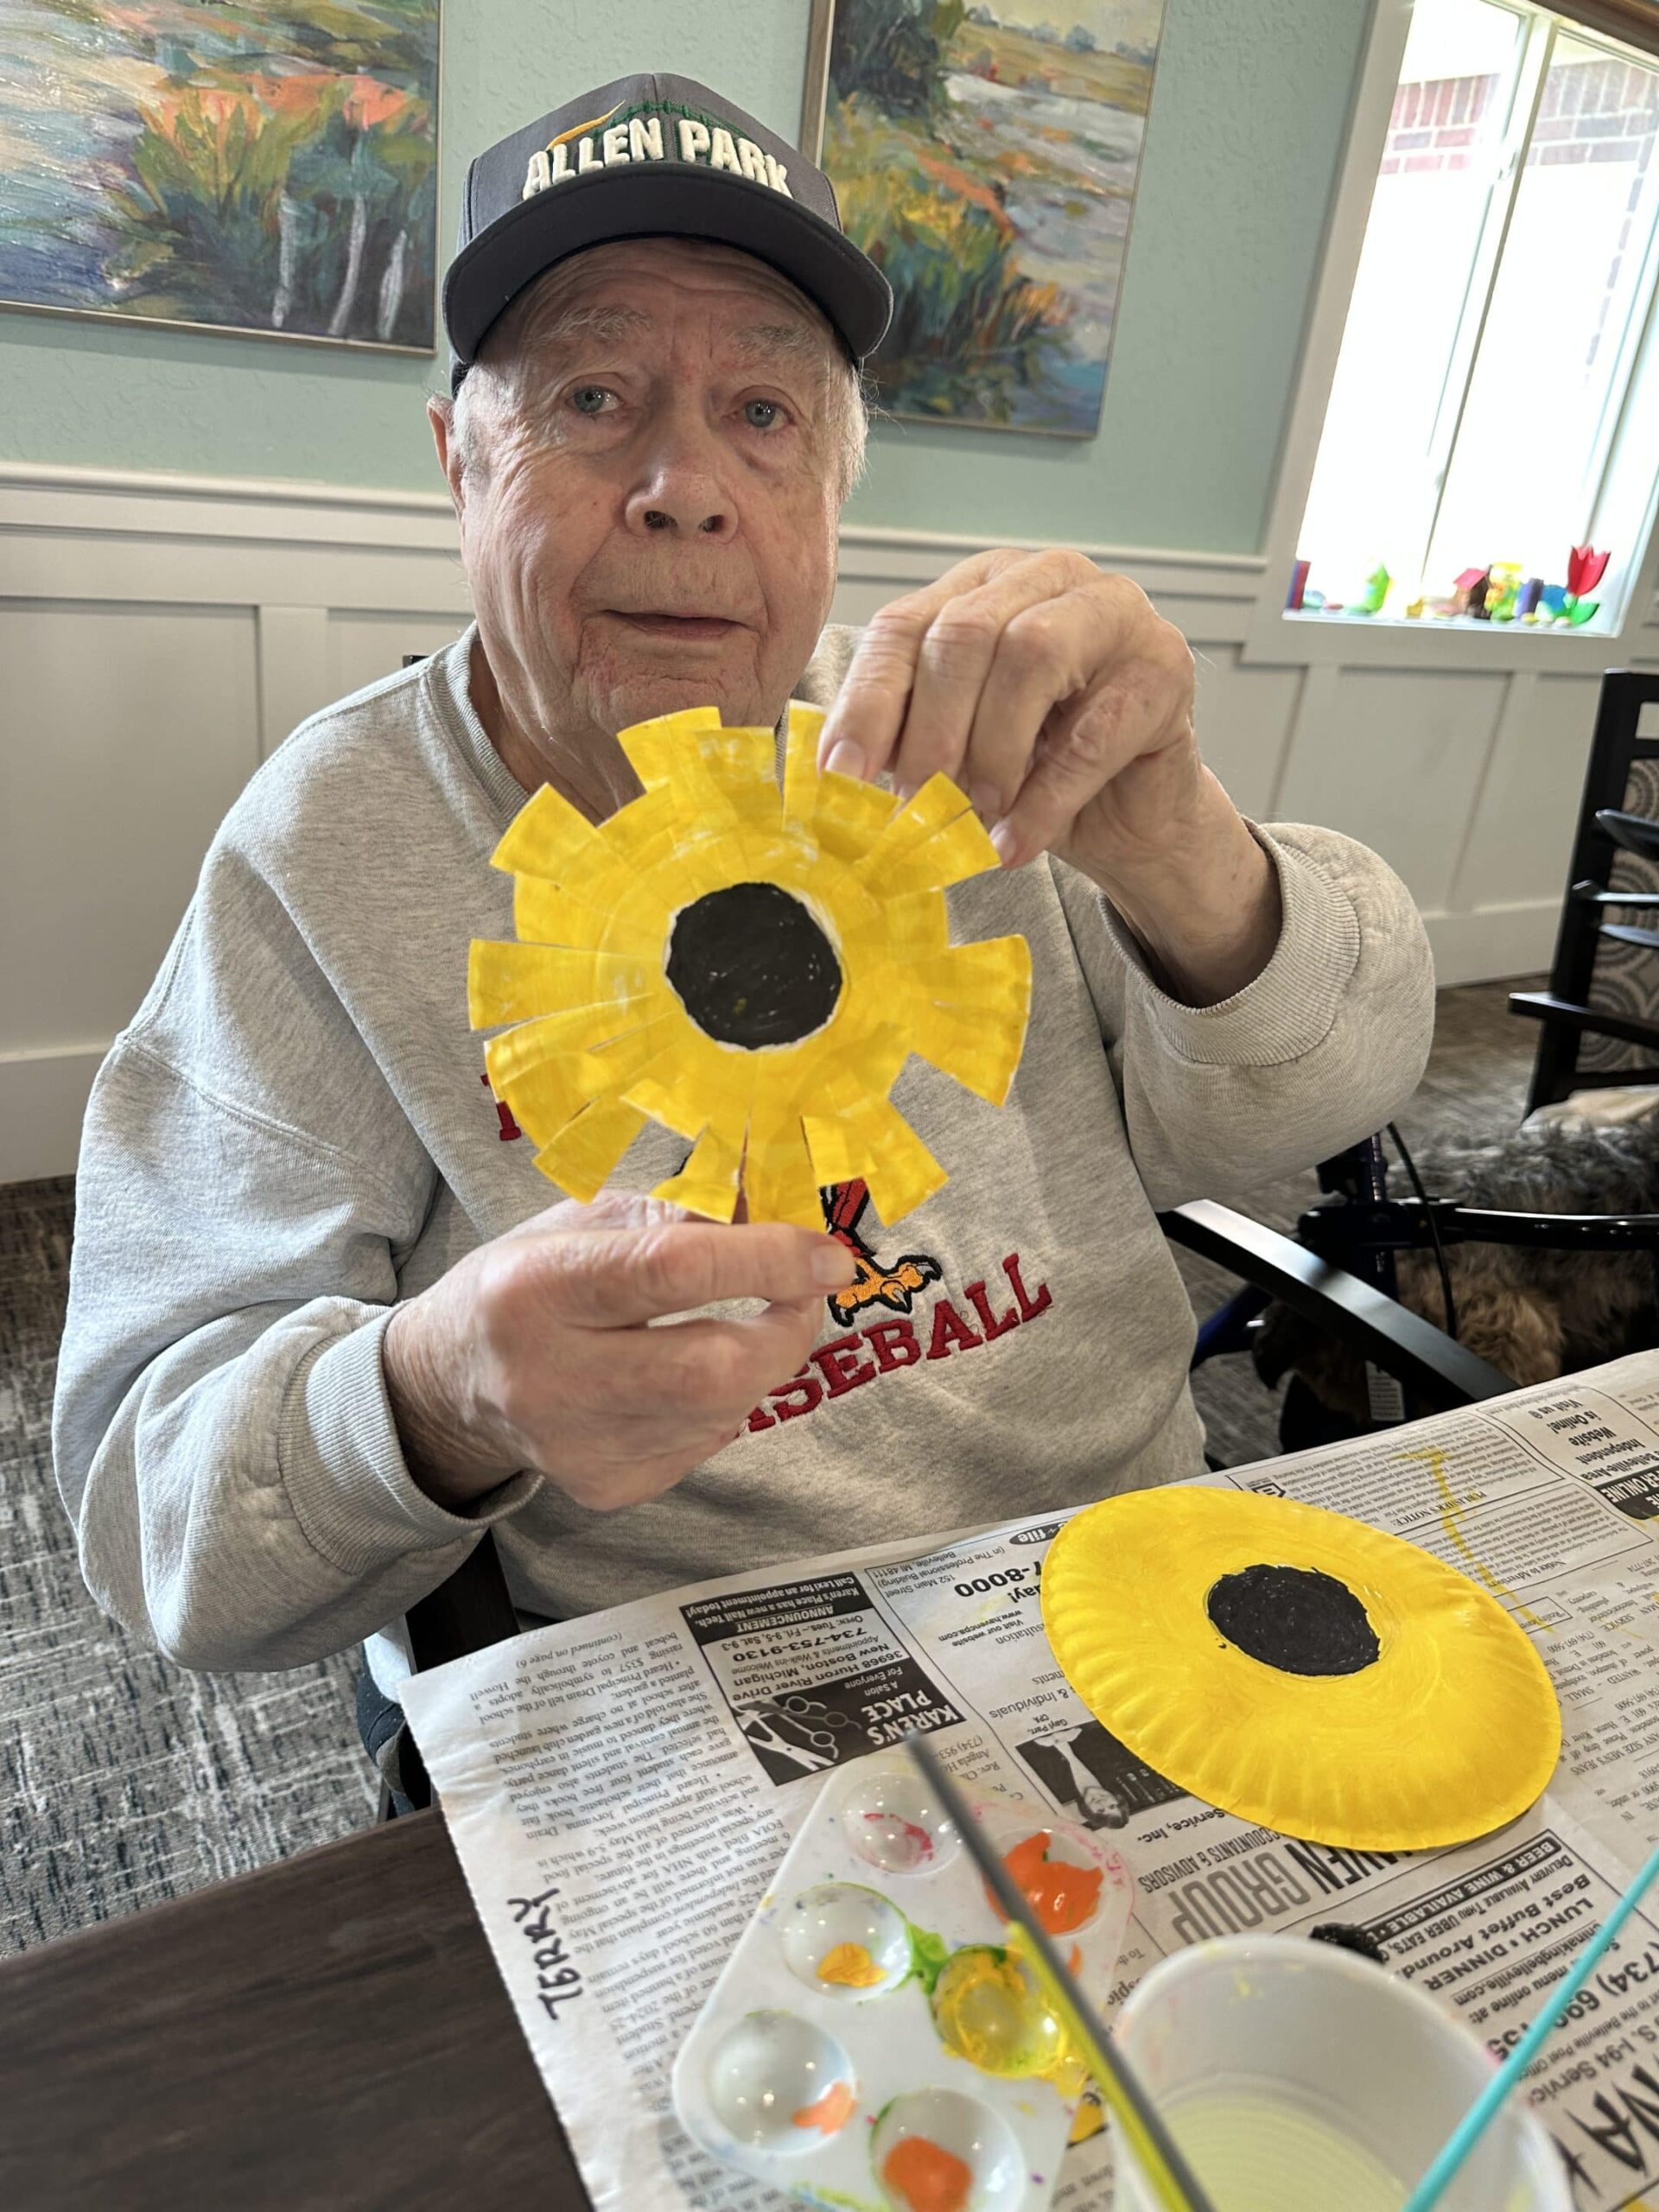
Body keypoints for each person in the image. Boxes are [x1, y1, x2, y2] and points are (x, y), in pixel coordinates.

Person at [52, 76, 1434, 1734]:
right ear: (457, 462)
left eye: (763, 414)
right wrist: (436, 1393)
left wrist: (1183, 853)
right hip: (713, 1679)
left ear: (833, 490)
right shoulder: (329, 847)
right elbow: (152, 1518)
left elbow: (1340, 1092)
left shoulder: (964, 744)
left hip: (1133, 1563)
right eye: (592, 396)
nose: (685, 487)